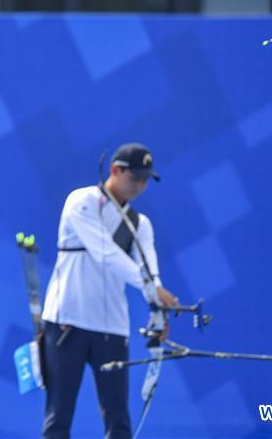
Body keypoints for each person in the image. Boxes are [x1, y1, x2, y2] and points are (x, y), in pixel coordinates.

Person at [40, 143, 178, 439]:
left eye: (145, 180)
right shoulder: (82, 201)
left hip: (111, 328)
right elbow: (104, 252)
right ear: (116, 171)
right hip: (68, 322)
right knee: (58, 417)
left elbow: (151, 272)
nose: (139, 186)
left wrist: (159, 309)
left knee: (118, 420)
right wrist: (150, 286)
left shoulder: (140, 224)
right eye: (135, 178)